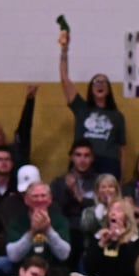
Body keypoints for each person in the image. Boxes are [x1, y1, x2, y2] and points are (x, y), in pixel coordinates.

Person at [58, 31, 126, 178]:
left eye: (103, 82)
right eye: (96, 82)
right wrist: (64, 50)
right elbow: (65, 80)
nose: (99, 84)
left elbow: (122, 150)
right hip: (83, 163)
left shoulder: (117, 116)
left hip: (109, 163)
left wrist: (120, 177)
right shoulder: (82, 108)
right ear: (91, 88)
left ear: (108, 89)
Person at [0, 182, 70, 276]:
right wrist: (32, 232)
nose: (39, 200)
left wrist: (48, 230)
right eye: (35, 196)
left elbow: (64, 255)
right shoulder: (17, 222)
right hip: (23, 274)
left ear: (50, 199)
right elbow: (13, 256)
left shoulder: (60, 220)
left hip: (51, 274)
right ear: (26, 200)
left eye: (43, 196)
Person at [82, 199, 139, 276]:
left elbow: (131, 271)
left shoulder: (134, 241)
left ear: (126, 217)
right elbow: (89, 268)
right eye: (111, 210)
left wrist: (122, 241)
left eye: (118, 210)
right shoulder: (99, 237)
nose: (113, 213)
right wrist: (101, 244)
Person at [51, 141, 99, 247]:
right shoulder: (59, 182)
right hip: (68, 231)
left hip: (94, 230)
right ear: (71, 157)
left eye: (87, 156)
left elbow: (102, 206)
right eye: (78, 155)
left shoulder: (99, 181)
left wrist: (78, 196)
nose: (82, 160)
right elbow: (56, 211)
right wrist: (67, 191)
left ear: (92, 158)